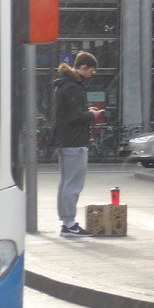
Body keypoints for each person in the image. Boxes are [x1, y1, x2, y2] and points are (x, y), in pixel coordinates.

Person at [52, 51, 99, 237]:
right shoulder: (73, 87)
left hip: (66, 140)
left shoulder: (65, 84)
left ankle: (66, 221)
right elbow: (74, 116)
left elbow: (69, 113)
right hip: (74, 141)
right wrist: (91, 115)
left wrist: (85, 111)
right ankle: (69, 224)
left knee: (66, 183)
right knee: (73, 184)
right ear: (84, 67)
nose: (91, 75)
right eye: (91, 71)